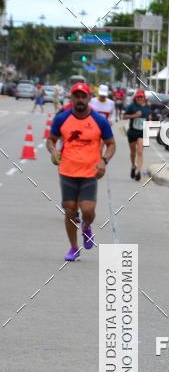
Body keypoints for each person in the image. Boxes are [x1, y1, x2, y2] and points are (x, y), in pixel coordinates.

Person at [46, 83, 115, 261]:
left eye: (83, 96)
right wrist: (53, 151)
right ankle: (74, 248)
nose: (80, 100)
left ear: (89, 98)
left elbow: (111, 144)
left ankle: (86, 227)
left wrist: (104, 160)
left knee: (88, 210)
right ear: (72, 98)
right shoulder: (62, 119)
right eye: (76, 96)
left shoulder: (100, 120)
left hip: (90, 172)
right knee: (69, 209)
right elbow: (51, 140)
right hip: (67, 170)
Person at [124, 89, 152, 180]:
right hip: (132, 132)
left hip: (142, 132)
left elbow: (149, 117)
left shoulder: (147, 107)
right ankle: (133, 166)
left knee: (140, 151)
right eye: (138, 97)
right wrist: (134, 116)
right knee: (133, 152)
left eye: (141, 97)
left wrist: (150, 122)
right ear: (135, 98)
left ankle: (138, 172)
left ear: (144, 98)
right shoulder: (132, 106)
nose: (139, 98)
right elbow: (124, 116)